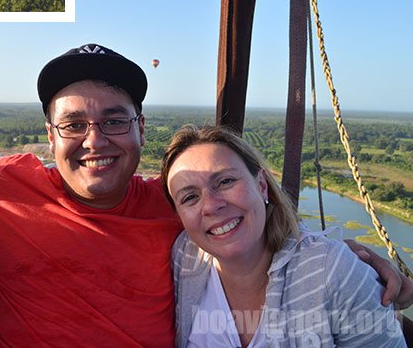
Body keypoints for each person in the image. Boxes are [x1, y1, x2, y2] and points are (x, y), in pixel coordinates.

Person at [0, 43, 413, 348]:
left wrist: (349, 260)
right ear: (50, 134)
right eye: (74, 124)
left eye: (115, 121)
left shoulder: (172, 205)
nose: (94, 140)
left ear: (141, 129)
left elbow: (244, 221)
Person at [161, 123, 407, 347]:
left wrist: (342, 260)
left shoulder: (331, 272)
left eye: (225, 181)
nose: (211, 205)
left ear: (261, 185)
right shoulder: (185, 257)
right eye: (190, 197)